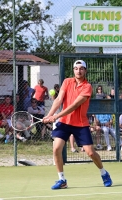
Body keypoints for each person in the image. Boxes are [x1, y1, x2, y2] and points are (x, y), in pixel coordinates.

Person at [43, 60, 112, 189]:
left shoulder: (87, 87)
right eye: (76, 68)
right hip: (64, 123)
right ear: (73, 70)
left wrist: (56, 116)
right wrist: (49, 115)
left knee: (90, 153)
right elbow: (59, 99)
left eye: (81, 69)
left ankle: (104, 173)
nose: (78, 71)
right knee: (56, 148)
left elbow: (74, 105)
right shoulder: (67, 82)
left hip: (80, 124)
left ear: (85, 71)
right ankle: (62, 180)